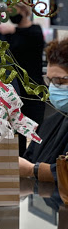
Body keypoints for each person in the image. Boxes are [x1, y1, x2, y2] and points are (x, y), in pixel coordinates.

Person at [0, 2, 45, 155]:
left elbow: (33, 37)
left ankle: (35, 164)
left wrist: (15, 30)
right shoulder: (9, 34)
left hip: (34, 90)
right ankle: (21, 164)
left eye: (14, 10)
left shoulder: (35, 31)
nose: (11, 14)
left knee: (36, 131)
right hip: (15, 90)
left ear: (24, 10)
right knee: (18, 132)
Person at [19, 38, 68, 182]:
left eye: (59, 81)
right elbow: (29, 157)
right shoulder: (51, 123)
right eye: (49, 81)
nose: (53, 88)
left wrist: (32, 170)